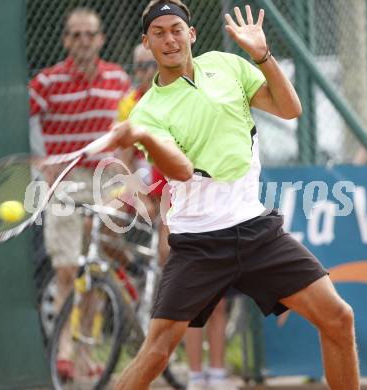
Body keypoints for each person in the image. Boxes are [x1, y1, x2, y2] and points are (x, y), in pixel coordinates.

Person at [108, 1, 360, 389]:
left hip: (257, 231)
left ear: (191, 34)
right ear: (147, 42)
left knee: (338, 317)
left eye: (176, 29)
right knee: (156, 352)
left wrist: (262, 56)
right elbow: (180, 170)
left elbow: (291, 109)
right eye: (158, 33)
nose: (169, 39)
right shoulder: (147, 112)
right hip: (198, 244)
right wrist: (141, 136)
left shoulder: (228, 66)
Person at [119, 42, 236, 390]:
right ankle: (197, 378)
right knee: (191, 298)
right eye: (139, 66)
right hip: (174, 204)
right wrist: (142, 196)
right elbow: (125, 161)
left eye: (147, 67)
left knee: (217, 300)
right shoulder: (140, 107)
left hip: (214, 204)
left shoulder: (198, 97)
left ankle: (216, 375)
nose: (144, 73)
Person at [28, 7, 131, 377]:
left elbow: (130, 126)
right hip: (65, 182)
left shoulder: (118, 79)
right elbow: (17, 116)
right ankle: (66, 349)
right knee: (68, 268)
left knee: (97, 266)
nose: (84, 41)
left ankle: (85, 352)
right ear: (65, 40)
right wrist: (41, 161)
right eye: (76, 34)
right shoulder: (46, 82)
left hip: (106, 181)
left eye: (90, 34)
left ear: (101, 39)